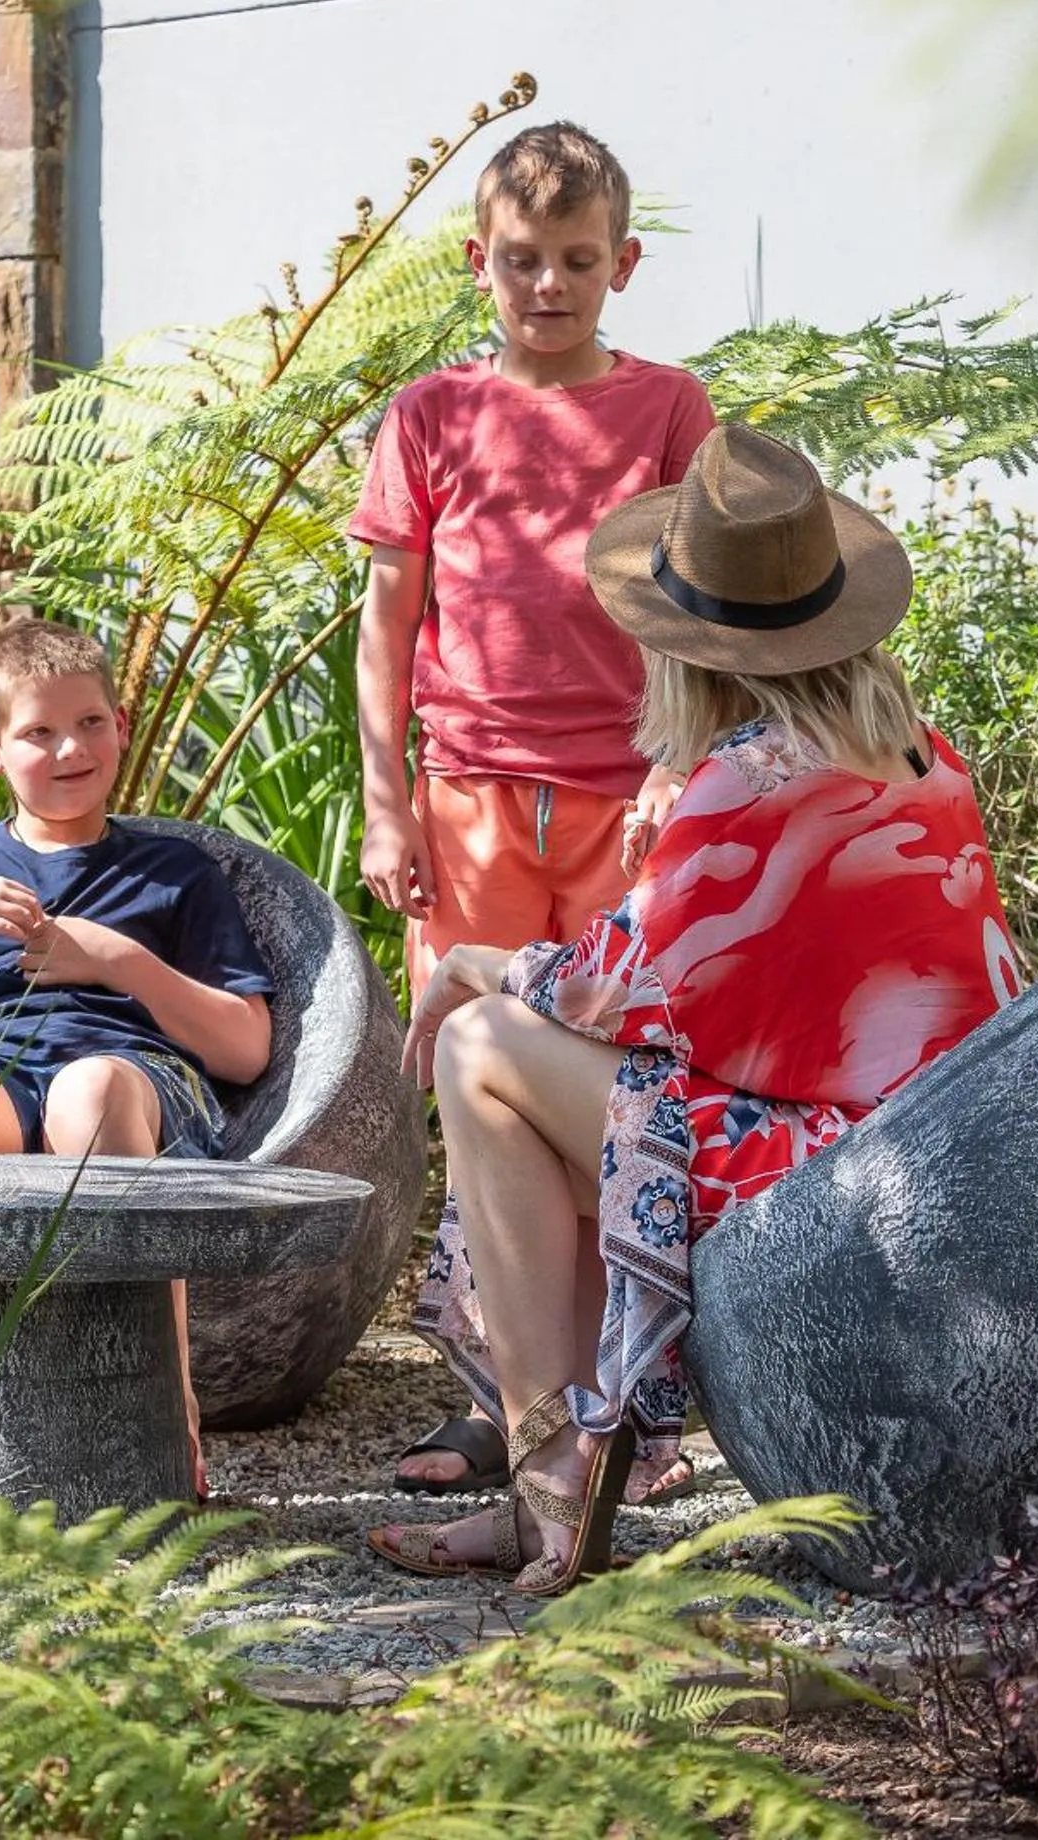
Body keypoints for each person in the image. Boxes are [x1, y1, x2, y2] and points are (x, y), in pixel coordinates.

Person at [367, 424, 1027, 1593]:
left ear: (692, 649)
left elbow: (618, 996)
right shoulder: (928, 756)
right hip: (943, 1158)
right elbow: (724, 1003)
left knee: (479, 1047)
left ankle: (550, 1484)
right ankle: (557, 1479)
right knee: (539, 1102)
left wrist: (468, 959)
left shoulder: (751, 776)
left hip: (834, 1182)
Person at [351, 119, 717, 1498]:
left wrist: (681, 769)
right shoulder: (431, 416)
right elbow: (388, 627)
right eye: (521, 261)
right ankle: (499, 1405)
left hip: (627, 802)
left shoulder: (671, 409)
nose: (547, 285)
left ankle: (636, 1404)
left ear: (621, 263)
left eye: (575, 259)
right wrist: (388, 809)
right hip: (468, 805)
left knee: (617, 1103)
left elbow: (702, 613)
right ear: (477, 265)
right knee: (473, 1092)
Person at [0, 616, 277, 1493]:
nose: (69, 748)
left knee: (90, 1091)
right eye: (38, 732)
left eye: (88, 722)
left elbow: (243, 1049)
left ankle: (165, 1411)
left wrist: (117, 960)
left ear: (120, 725)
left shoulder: (173, 874)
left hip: (129, 1077)